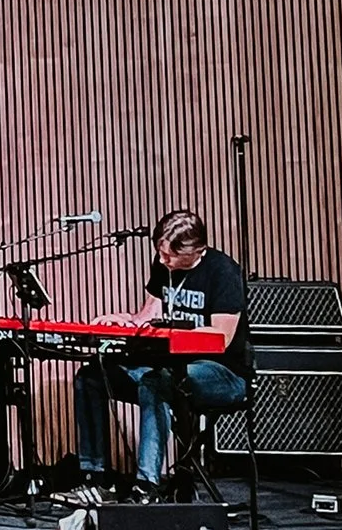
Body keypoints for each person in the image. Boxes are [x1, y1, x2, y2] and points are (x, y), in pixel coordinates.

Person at [72, 209, 250, 498]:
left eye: (170, 256)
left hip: (221, 372)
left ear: (195, 251)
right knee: (92, 376)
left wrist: (172, 333)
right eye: (160, 253)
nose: (163, 260)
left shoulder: (223, 272)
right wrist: (124, 321)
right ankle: (95, 476)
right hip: (168, 365)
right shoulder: (163, 264)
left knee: (155, 382)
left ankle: (147, 484)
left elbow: (222, 336)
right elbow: (149, 314)